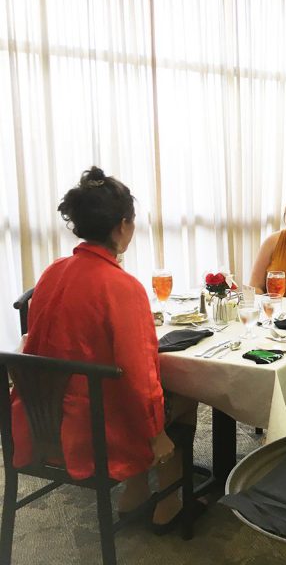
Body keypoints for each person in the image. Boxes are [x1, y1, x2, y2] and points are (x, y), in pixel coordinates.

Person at [11, 166, 202, 534]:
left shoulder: (53, 271)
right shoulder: (122, 286)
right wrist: (155, 435)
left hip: (44, 420)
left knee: (119, 385)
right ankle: (169, 503)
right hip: (93, 429)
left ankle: (134, 491)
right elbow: (140, 371)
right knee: (184, 392)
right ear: (122, 226)